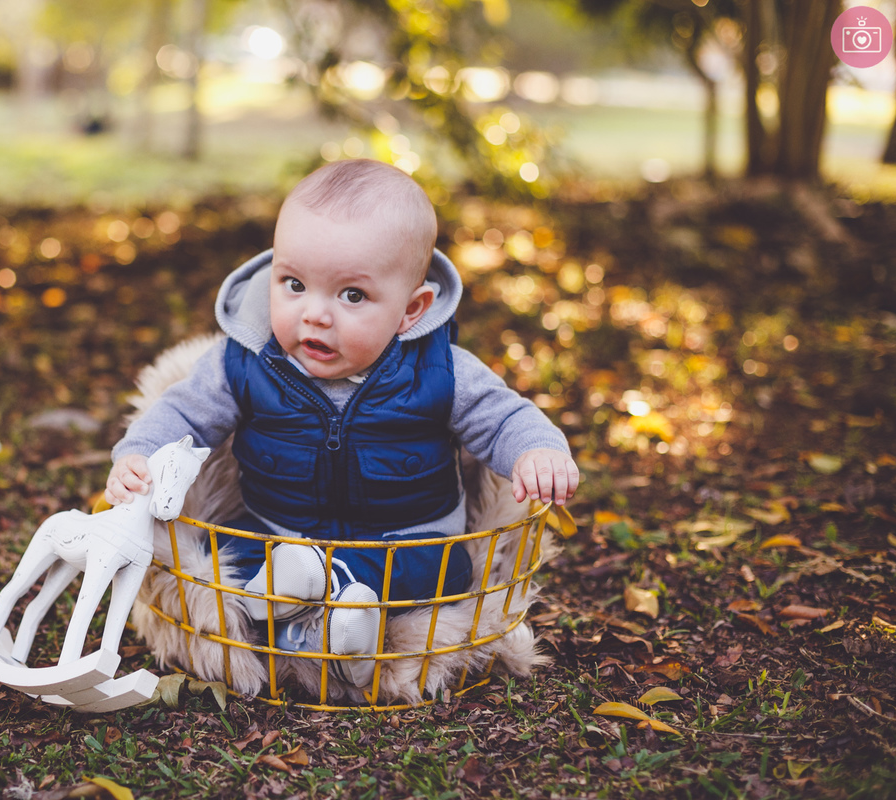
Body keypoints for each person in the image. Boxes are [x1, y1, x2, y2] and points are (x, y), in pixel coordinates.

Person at [106, 159, 577, 687]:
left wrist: (537, 449)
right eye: (294, 284)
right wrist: (140, 453)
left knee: (442, 572)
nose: (315, 314)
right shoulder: (246, 361)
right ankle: (321, 628)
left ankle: (315, 602)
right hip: (277, 530)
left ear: (410, 310)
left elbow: (503, 417)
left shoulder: (441, 370)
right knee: (221, 561)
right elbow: (182, 412)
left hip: (404, 540)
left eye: (352, 295)